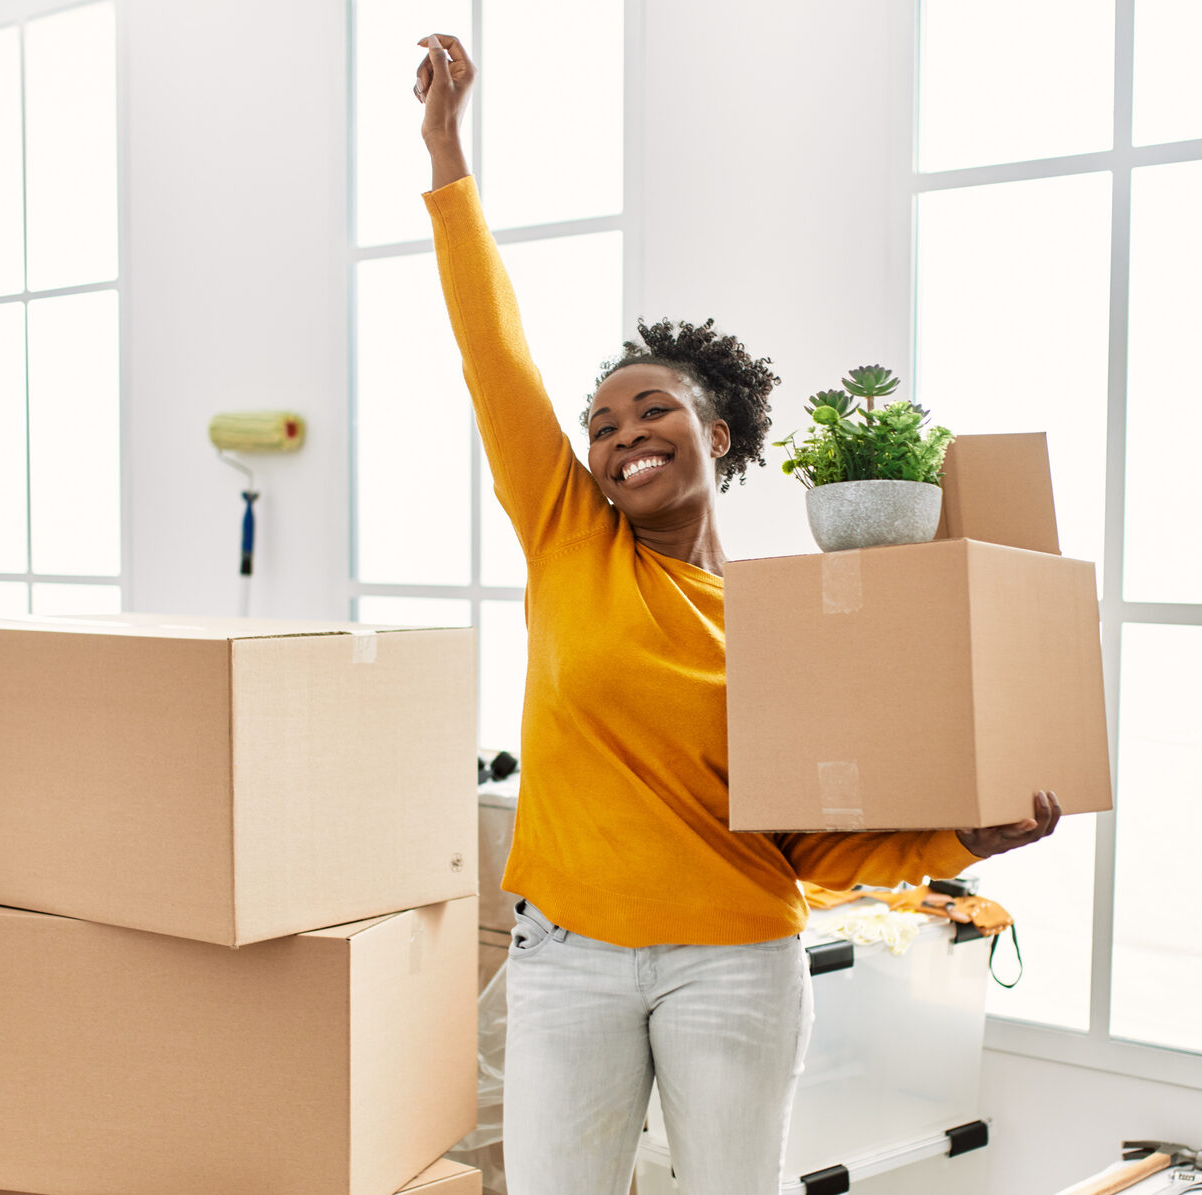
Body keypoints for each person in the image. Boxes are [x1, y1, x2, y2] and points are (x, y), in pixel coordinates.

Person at [411, 33, 1062, 1195]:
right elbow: (491, 356)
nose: (619, 437)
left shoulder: (787, 617)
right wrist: (445, 156)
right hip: (565, 960)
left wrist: (967, 841)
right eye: (600, 425)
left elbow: (818, 846)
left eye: (648, 411)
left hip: (737, 961)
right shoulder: (569, 543)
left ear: (713, 437)